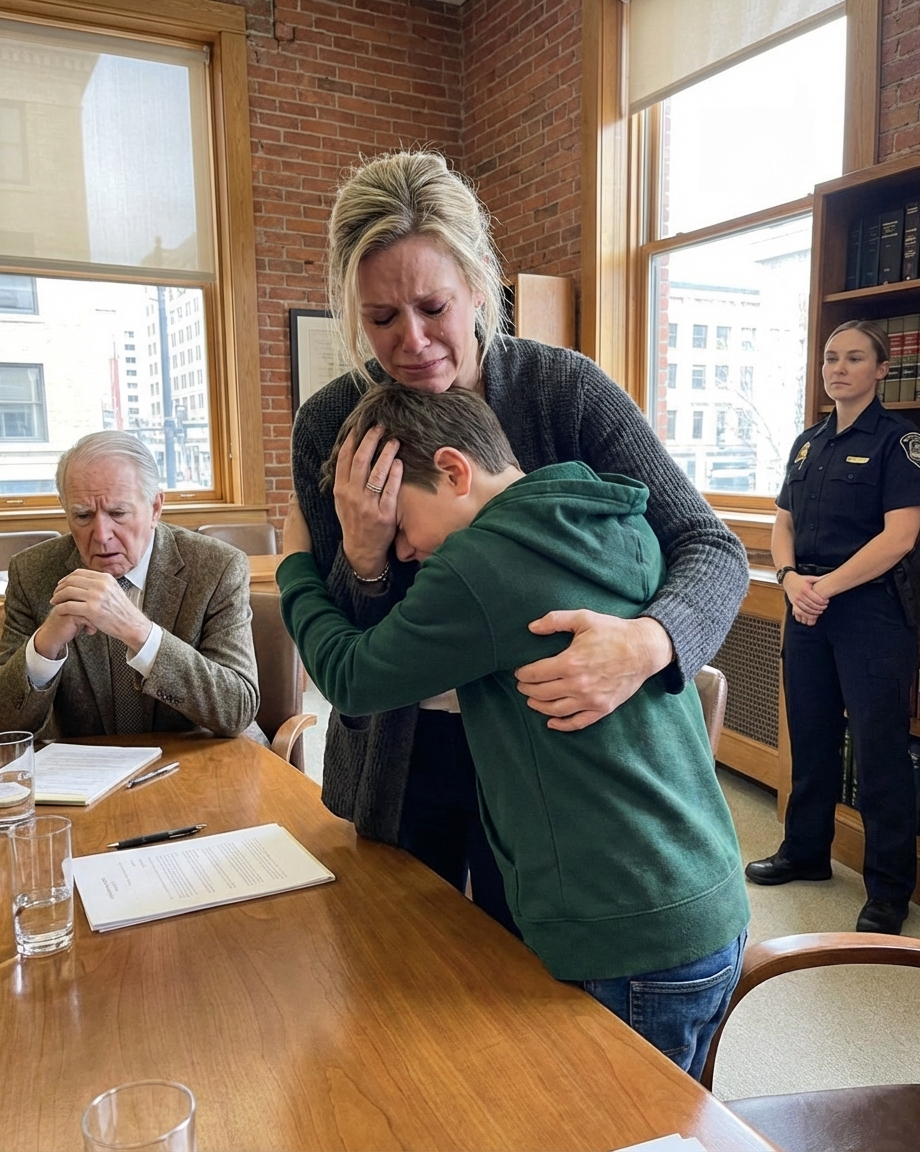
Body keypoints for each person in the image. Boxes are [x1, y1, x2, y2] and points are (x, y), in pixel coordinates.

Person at [291, 149, 748, 928]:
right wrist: (363, 561)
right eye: (380, 319)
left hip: (558, 769)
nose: (411, 341)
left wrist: (648, 642)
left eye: (434, 307)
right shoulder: (332, 422)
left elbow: (711, 545)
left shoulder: (562, 390)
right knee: (400, 974)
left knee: (535, 1004)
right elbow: (346, 656)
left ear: (477, 286)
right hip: (404, 757)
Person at [280, 384, 749, 1079]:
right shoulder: (611, 516)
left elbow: (351, 677)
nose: (403, 550)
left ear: (455, 471)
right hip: (704, 900)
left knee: (607, 1127)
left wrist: (297, 566)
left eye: (401, 520)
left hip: (621, 934)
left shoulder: (481, 566)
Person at [745, 320, 920, 935]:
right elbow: (783, 522)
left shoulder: (900, 444)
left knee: (879, 756)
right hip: (807, 606)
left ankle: (888, 890)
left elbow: (900, 536)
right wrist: (791, 579)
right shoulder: (807, 443)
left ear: (880, 370)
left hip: (870, 611)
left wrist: (824, 587)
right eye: (830, 358)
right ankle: (805, 852)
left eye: (854, 358)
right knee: (812, 737)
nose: (838, 368)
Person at [0, 431, 259, 739]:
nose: (101, 534)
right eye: (82, 515)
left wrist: (140, 633)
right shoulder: (32, 573)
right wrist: (45, 645)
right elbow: (7, 726)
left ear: (155, 508)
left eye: (118, 513)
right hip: (88, 771)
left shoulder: (217, 567)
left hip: (196, 760)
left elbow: (237, 709)